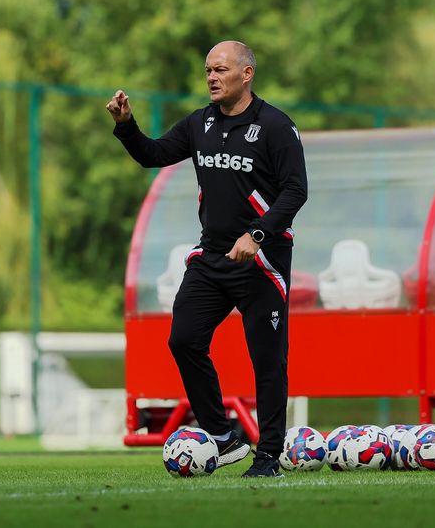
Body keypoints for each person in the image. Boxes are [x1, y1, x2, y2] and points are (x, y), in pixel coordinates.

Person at [107, 41, 308, 477]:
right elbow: (153, 155)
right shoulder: (200, 123)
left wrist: (258, 234)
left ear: (247, 73)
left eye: (220, 70)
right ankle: (222, 436)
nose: (212, 78)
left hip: (263, 259)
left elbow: (296, 191)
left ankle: (269, 456)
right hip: (212, 255)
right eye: (207, 71)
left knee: (267, 361)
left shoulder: (275, 126)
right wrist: (127, 126)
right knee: (184, 339)